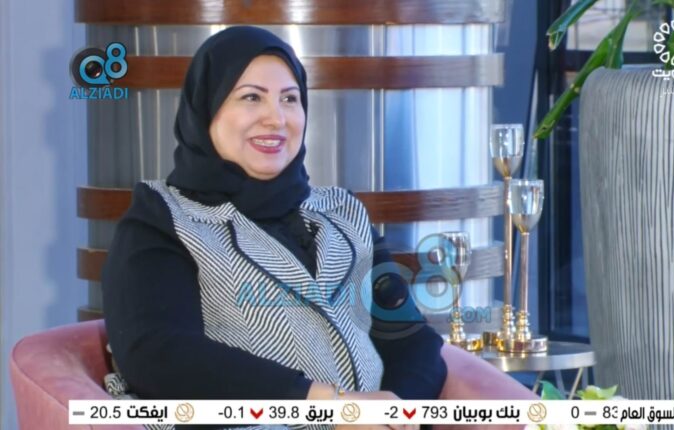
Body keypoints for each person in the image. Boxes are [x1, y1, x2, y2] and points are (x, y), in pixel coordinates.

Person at [101, 26, 446, 429]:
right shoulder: (164, 218)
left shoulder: (342, 213)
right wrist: (326, 405)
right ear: (206, 108)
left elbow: (410, 338)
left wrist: (397, 413)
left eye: (289, 99)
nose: (276, 118)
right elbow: (158, 355)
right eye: (251, 97)